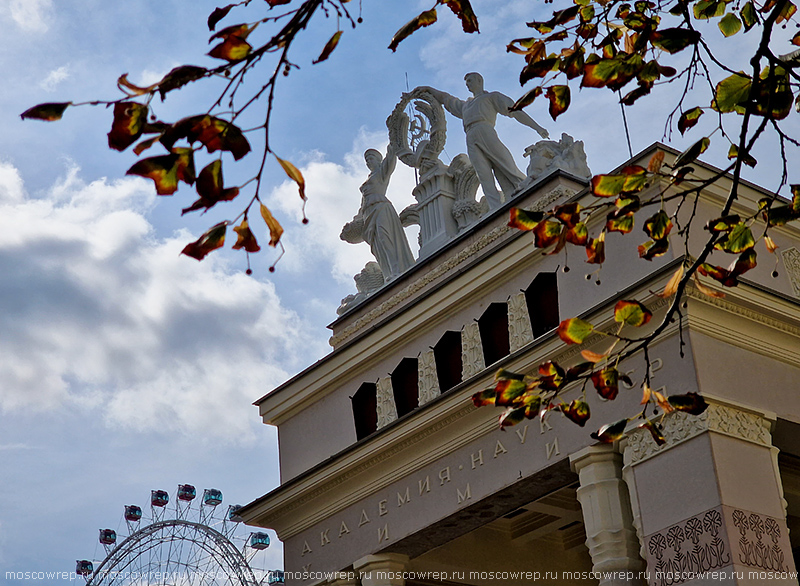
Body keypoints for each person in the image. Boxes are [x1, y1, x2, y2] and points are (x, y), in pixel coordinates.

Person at [420, 73, 549, 209]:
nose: (467, 84)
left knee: (505, 163)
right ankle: (495, 207)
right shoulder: (466, 106)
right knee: (483, 174)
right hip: (470, 136)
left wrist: (537, 128)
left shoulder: (491, 97)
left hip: (485, 130)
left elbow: (516, 111)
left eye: (470, 81)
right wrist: (429, 89)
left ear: (479, 80)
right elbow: (447, 99)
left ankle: (526, 185)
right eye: (466, 82)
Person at [341, 145, 414, 282]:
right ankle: (389, 272)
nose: (368, 162)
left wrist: (393, 143)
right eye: (366, 160)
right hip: (368, 213)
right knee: (377, 245)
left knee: (385, 238)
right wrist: (355, 222)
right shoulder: (369, 180)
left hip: (381, 208)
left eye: (371, 158)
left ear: (378, 160)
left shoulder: (381, 173)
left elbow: (391, 159)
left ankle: (397, 269)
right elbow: (362, 205)